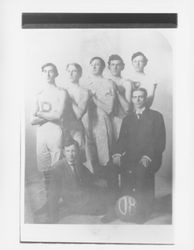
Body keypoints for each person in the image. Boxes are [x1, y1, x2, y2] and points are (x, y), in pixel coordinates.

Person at [113, 88, 166, 222]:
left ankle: (143, 211)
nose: (137, 100)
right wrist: (117, 154)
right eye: (135, 97)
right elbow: (121, 141)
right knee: (111, 168)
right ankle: (119, 207)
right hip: (131, 156)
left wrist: (147, 156)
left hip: (152, 156)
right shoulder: (128, 119)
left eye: (141, 97)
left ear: (145, 99)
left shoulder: (156, 116)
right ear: (131, 99)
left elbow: (160, 142)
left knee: (141, 171)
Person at [46, 138, 116, 223]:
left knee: (103, 190)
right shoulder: (57, 168)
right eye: (68, 151)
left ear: (77, 152)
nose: (71, 154)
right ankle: (111, 209)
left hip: (84, 195)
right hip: (74, 202)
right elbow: (53, 193)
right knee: (101, 208)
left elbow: (91, 177)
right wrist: (53, 217)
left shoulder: (77, 163)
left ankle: (110, 206)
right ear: (64, 152)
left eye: (73, 151)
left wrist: (103, 183)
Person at [31, 63, 67, 214]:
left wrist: (40, 114)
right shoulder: (38, 94)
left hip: (55, 133)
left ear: (56, 74)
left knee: (56, 168)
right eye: (45, 71)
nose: (48, 74)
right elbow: (32, 120)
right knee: (45, 170)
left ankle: (56, 203)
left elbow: (59, 115)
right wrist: (48, 116)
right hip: (41, 134)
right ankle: (49, 201)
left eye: (51, 71)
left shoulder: (61, 92)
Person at [82, 56, 117, 190]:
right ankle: (95, 194)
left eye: (98, 64)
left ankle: (110, 192)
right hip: (87, 124)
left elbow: (109, 108)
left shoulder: (108, 83)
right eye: (92, 64)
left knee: (105, 157)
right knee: (90, 159)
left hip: (102, 124)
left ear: (103, 67)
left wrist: (93, 98)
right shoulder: (85, 84)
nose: (95, 67)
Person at [63, 63, 89, 162]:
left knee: (78, 157)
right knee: (63, 157)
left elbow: (78, 114)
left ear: (80, 74)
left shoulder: (84, 92)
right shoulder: (62, 90)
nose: (70, 74)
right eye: (69, 71)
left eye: (74, 71)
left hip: (76, 129)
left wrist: (69, 99)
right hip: (63, 128)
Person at [108, 54, 132, 140]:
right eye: (112, 65)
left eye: (118, 65)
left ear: (122, 67)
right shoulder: (105, 82)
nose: (115, 67)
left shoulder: (126, 83)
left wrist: (117, 92)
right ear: (109, 67)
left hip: (121, 119)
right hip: (107, 119)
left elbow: (128, 108)